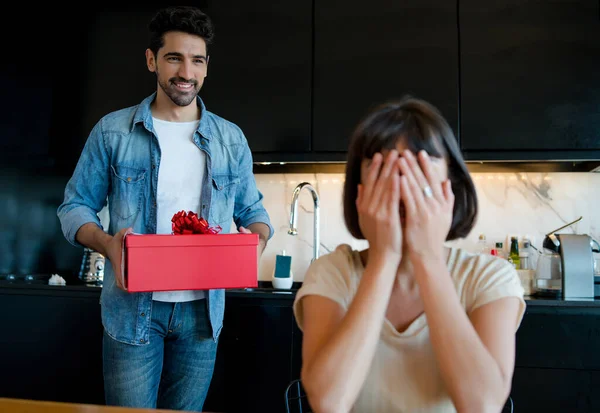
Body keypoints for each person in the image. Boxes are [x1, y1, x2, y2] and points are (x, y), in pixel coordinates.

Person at [57, 5, 273, 411]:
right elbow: (74, 207)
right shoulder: (113, 131)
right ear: (152, 60)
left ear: (207, 67)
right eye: (174, 58)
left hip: (202, 317)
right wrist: (107, 244)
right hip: (132, 310)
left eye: (196, 60)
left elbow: (254, 214)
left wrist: (253, 245)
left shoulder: (230, 139)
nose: (185, 73)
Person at [293, 96, 525, 413]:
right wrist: (385, 257)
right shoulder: (332, 272)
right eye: (384, 169)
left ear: (450, 185)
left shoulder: (489, 278)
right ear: (359, 190)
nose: (403, 186)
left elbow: (481, 404)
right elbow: (328, 401)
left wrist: (427, 256)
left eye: (419, 167)